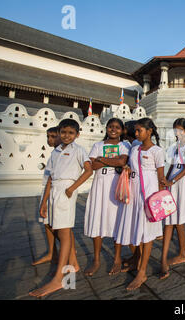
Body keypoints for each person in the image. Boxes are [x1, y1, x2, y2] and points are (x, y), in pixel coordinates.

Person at [29, 119, 93, 297]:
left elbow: (89, 170)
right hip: (54, 190)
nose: (66, 136)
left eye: (71, 133)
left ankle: (59, 277)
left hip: (66, 191)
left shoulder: (78, 150)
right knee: (56, 228)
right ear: (59, 132)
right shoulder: (56, 151)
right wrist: (43, 203)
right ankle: (72, 264)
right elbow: (50, 177)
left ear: (77, 135)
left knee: (64, 233)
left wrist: (72, 188)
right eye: (63, 132)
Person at [114, 118, 165, 290]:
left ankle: (142, 272)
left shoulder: (157, 151)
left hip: (149, 195)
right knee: (136, 230)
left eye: (139, 131)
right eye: (135, 131)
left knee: (147, 233)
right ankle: (138, 262)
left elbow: (160, 178)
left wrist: (158, 200)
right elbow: (130, 167)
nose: (136, 134)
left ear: (149, 131)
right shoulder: (134, 149)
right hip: (134, 193)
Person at [84, 118, 130, 276]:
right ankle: (96, 259)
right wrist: (113, 162)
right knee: (97, 220)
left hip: (116, 186)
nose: (113, 130)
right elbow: (92, 166)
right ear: (106, 128)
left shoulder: (125, 145)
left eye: (117, 127)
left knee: (116, 221)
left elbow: (122, 161)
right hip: (100, 186)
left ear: (122, 130)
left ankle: (117, 258)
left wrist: (101, 159)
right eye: (111, 127)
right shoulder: (98, 145)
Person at [160, 118, 185, 279]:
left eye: (180, 130)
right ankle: (165, 258)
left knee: (177, 221)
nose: (177, 133)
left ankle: (181, 253)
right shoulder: (174, 148)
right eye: (175, 130)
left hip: (182, 185)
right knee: (170, 221)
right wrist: (164, 182)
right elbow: (172, 167)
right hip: (172, 185)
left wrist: (171, 181)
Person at [32, 126, 61, 266]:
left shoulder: (61, 153)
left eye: (53, 136)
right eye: (48, 136)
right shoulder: (54, 153)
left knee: (60, 227)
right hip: (47, 190)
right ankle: (52, 252)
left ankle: (70, 252)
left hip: (55, 191)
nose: (50, 140)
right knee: (47, 223)